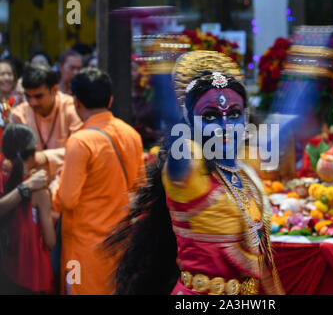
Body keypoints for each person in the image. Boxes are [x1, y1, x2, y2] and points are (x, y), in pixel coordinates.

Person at [106, 51, 285, 295]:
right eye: (210, 116)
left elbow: (287, 119)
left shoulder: (245, 162)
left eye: (234, 115)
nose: (225, 127)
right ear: (188, 122)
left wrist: (310, 60)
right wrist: (160, 55)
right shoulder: (188, 170)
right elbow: (172, 123)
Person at [52, 67, 145, 295]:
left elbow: (67, 200)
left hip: (84, 248)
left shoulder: (81, 141)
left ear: (76, 102)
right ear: (110, 99)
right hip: (120, 243)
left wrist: (54, 187)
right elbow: (140, 188)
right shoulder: (131, 134)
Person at [0, 124, 55, 294]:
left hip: (9, 266)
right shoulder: (39, 191)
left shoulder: (4, 179)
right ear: (33, 154)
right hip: (33, 271)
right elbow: (50, 240)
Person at [10, 63, 82, 187]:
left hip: (69, 182)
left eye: (38, 96)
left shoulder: (73, 109)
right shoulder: (19, 114)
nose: (33, 102)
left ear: (54, 89)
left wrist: (43, 157)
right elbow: (16, 158)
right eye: (28, 96)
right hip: (32, 186)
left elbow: (80, 153)